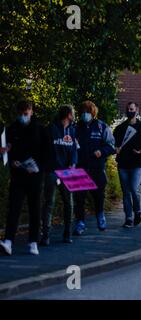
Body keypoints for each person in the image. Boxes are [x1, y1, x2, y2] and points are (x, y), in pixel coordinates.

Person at [0, 101, 46, 256]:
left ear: (31, 112)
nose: (23, 117)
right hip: (18, 174)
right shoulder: (12, 129)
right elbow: (7, 151)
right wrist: (9, 157)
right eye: (21, 114)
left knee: (35, 208)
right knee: (14, 207)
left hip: (35, 174)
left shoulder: (40, 129)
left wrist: (38, 166)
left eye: (26, 114)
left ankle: (33, 242)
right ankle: (8, 241)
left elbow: (46, 152)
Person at [73, 100, 115, 236]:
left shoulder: (101, 127)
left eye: (88, 112)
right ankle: (80, 222)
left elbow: (111, 146)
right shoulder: (75, 128)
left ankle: (100, 215)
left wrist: (102, 152)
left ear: (93, 113)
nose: (85, 115)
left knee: (98, 196)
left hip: (97, 168)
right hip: (80, 168)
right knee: (79, 198)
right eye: (83, 112)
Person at [40, 105, 78, 246]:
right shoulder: (51, 129)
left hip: (67, 172)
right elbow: (44, 149)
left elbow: (74, 150)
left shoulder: (72, 131)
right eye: (73, 113)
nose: (74, 115)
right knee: (49, 203)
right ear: (68, 115)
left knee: (69, 203)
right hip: (52, 171)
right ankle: (46, 235)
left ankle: (67, 234)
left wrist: (73, 163)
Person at [113, 102, 141, 228]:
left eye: (132, 109)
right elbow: (113, 144)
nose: (130, 111)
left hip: (137, 164)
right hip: (123, 164)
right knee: (126, 192)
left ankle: (137, 211)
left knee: (134, 189)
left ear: (137, 110)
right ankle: (128, 218)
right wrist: (115, 149)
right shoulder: (120, 128)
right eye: (128, 109)